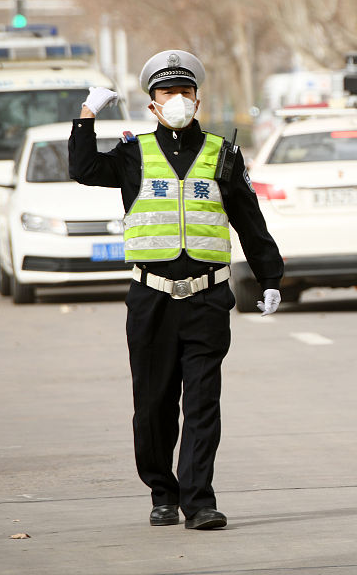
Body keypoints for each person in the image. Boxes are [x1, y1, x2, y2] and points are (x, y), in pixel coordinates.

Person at [68, 50, 284, 530]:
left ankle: (199, 500)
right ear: (153, 105)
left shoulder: (222, 154)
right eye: (168, 93)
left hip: (208, 297)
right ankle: (162, 491)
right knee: (154, 403)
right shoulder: (132, 154)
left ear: (198, 100)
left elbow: (249, 218)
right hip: (151, 299)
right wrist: (87, 114)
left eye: (185, 92)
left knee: (203, 401)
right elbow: (83, 169)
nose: (178, 100)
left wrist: (270, 277)